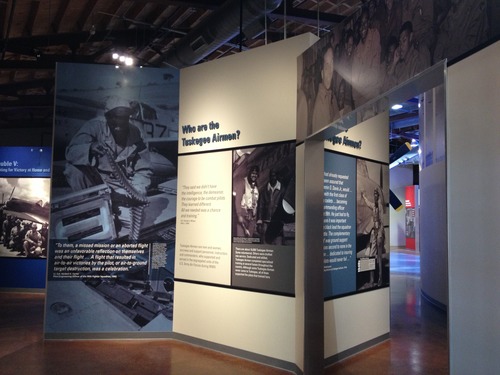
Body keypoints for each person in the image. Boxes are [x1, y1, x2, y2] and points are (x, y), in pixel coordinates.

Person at [64, 96, 153, 236]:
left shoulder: (136, 133)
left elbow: (143, 168)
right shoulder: (94, 126)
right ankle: (88, 207)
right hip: (96, 183)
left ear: (128, 117)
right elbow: (71, 153)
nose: (117, 121)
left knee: (134, 224)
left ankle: (110, 211)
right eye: (113, 117)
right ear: (106, 116)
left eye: (123, 117)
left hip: (121, 186)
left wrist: (138, 190)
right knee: (73, 168)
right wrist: (90, 148)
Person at [351, 7, 382, 108]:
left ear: (369, 22)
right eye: (361, 24)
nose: (363, 27)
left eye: (365, 22)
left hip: (372, 96)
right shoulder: (357, 49)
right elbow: (354, 81)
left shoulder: (375, 35)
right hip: (360, 102)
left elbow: (374, 72)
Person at [387, 21, 430, 86]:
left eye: (404, 40)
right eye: (400, 42)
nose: (401, 46)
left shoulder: (418, 56)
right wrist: (394, 63)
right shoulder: (400, 64)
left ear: (411, 37)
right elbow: (390, 85)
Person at [361, 188, 386, 287]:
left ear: (378, 196)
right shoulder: (374, 205)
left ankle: (380, 278)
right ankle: (371, 279)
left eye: (376, 194)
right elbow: (368, 203)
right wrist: (364, 196)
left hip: (379, 232)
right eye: (374, 194)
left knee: (379, 257)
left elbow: (382, 223)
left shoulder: (379, 206)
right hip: (374, 232)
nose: (375, 196)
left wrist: (380, 235)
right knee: (371, 255)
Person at [311, 45, 338, 133]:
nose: (330, 70)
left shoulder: (331, 96)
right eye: (327, 65)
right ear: (322, 73)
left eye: (332, 63)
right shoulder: (320, 106)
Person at [258, 169, 286, 245]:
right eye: (271, 176)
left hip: (276, 221)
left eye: (274, 175)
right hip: (266, 221)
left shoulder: (282, 190)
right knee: (265, 243)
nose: (272, 177)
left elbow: (284, 206)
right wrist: (260, 219)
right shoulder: (264, 190)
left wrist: (282, 219)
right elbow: (261, 205)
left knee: (278, 242)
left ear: (277, 176)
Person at [235, 165, 260, 239]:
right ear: (249, 173)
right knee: (241, 240)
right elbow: (238, 200)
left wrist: (255, 217)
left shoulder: (255, 186)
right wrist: (239, 215)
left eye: (256, 174)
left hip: (252, 218)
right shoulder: (243, 183)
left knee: (249, 240)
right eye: (252, 173)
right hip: (243, 216)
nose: (254, 175)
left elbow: (256, 202)